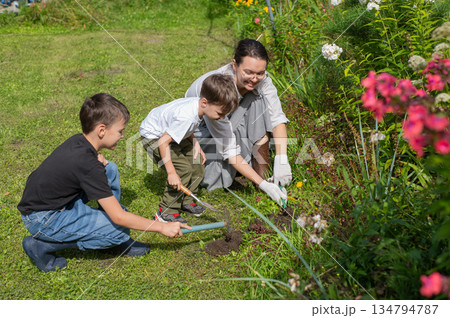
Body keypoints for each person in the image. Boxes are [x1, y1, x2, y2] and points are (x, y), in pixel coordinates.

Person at [17, 93, 191, 273]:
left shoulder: (80, 141)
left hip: (53, 203)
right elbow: (120, 218)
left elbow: (79, 166)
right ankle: (41, 245)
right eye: (120, 131)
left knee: (110, 169)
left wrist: (95, 160)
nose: (122, 136)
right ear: (101, 130)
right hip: (43, 218)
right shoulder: (88, 166)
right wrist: (162, 227)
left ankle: (105, 220)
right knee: (119, 230)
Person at [185, 38, 291, 203]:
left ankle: (262, 176)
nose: (255, 78)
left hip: (228, 124)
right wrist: (263, 185)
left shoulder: (263, 82)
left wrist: (282, 159)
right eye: (248, 72)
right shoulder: (218, 89)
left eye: (260, 73)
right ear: (234, 65)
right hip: (201, 132)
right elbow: (229, 148)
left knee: (258, 99)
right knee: (213, 178)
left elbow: (277, 118)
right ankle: (259, 182)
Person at [140, 74, 238, 223]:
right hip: (154, 137)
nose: (222, 118)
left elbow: (187, 128)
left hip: (170, 133)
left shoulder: (199, 107)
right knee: (183, 170)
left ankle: (186, 201)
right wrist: (171, 172)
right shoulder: (186, 116)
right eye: (220, 113)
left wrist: (195, 143)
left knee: (197, 162)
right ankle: (166, 212)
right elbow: (162, 142)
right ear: (205, 102)